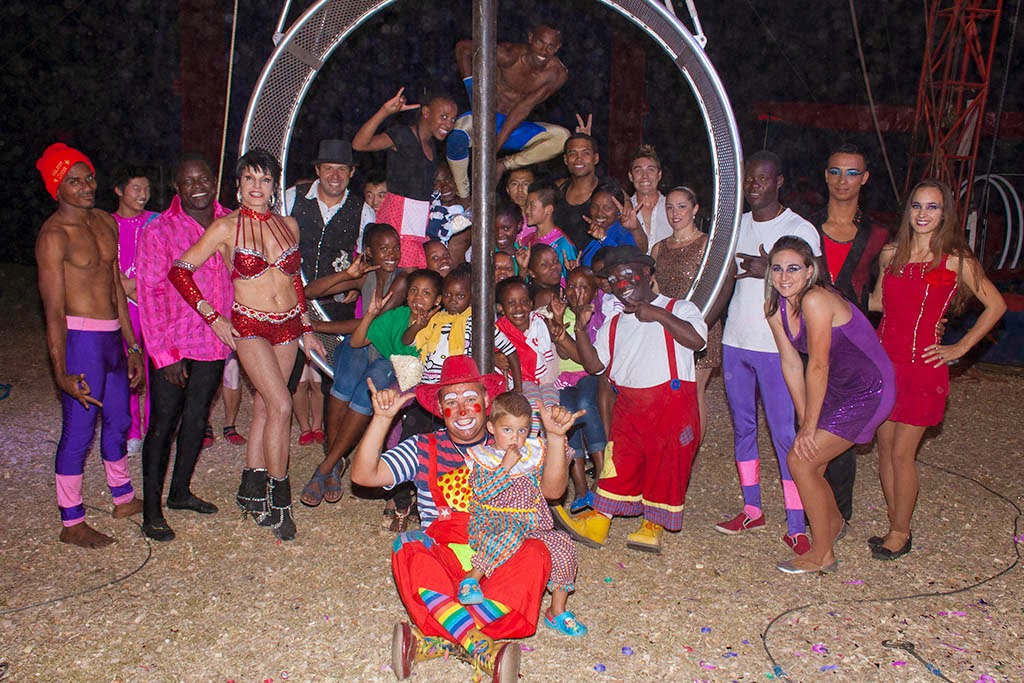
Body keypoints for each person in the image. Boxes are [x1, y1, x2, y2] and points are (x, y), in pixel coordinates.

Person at [351, 355, 580, 681]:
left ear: (487, 402)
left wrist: (555, 439)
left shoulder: (511, 441)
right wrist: (381, 419)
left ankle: (437, 640)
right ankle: (480, 646)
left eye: (470, 399)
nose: (461, 410)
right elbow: (364, 475)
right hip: (445, 562)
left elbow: (553, 492)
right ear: (439, 407)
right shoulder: (422, 448)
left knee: (538, 551)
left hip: (500, 558)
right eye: (451, 402)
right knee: (408, 545)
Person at [169, 148, 325, 541]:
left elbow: (295, 280)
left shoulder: (289, 225)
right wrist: (213, 317)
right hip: (250, 325)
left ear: (274, 186)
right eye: (250, 178)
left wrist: (307, 328)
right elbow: (181, 271)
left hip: (288, 326)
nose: (258, 186)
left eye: (265, 179)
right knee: (283, 404)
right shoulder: (225, 228)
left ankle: (251, 489)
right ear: (238, 185)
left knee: (265, 409)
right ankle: (279, 500)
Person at [868, 179, 1006, 560]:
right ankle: (894, 523)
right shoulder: (890, 254)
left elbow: (996, 306)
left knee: (902, 454)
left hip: (923, 366)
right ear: (907, 211)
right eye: (917, 206)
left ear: (944, 213)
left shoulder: (956, 259)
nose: (923, 214)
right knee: (884, 449)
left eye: (932, 207)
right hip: (884, 362)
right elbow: (877, 302)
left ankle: (901, 532)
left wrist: (959, 347)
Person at [553, 245, 707, 553]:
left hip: (671, 404)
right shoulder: (613, 323)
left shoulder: (679, 308)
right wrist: (580, 330)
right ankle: (599, 520)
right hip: (629, 407)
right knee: (619, 461)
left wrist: (659, 315)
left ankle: (653, 524)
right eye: (613, 279)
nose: (621, 284)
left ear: (647, 273)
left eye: (627, 275)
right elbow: (595, 366)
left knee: (665, 464)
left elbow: (698, 341)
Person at [35, 142, 144, 548]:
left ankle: (123, 497)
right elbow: (52, 310)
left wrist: (132, 346)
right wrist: (60, 371)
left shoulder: (104, 222)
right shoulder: (53, 236)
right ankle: (72, 519)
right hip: (81, 339)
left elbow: (115, 287)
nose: (85, 187)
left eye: (89, 178)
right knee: (79, 430)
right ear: (57, 188)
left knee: (119, 419)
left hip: (113, 337)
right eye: (74, 181)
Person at [765, 236, 895, 573]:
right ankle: (833, 524)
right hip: (837, 385)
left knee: (801, 461)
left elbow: (818, 364)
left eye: (794, 268)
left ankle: (822, 554)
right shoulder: (776, 309)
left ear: (810, 271)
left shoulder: (816, 300)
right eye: (777, 268)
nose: (784, 276)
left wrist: (809, 428)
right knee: (810, 461)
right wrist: (804, 418)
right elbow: (791, 365)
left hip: (868, 388)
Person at [715, 151, 823, 556]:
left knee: (784, 434)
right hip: (736, 341)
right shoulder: (735, 225)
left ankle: (797, 523)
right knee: (743, 428)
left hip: (778, 347)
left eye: (763, 178)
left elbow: (818, 283)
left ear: (779, 182)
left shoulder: (799, 228)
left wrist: (770, 272)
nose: (754, 185)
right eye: (749, 178)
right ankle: (752, 508)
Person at [136, 154, 234, 542]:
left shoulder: (231, 221)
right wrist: (163, 355)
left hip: (214, 341)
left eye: (203, 178)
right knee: (163, 425)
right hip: (174, 344)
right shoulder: (160, 230)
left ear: (215, 179)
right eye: (188, 181)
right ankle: (151, 511)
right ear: (176, 187)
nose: (198, 187)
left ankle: (179, 492)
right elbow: (149, 293)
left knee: (196, 420)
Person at [460, 391, 586, 637]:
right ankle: (471, 578)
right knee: (510, 532)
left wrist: (557, 440)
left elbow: (552, 481)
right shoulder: (484, 457)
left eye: (522, 430)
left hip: (532, 524)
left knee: (563, 545)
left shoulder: (532, 453)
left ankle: (557, 610)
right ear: (491, 428)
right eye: (507, 430)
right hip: (495, 521)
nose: (515, 438)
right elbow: (482, 492)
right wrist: (504, 467)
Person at [300, 223, 406, 506]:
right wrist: (348, 275)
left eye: (396, 248)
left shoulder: (402, 281)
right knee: (345, 382)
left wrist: (317, 326)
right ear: (369, 252)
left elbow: (373, 327)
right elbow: (309, 291)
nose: (392, 254)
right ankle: (336, 465)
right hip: (357, 344)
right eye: (384, 248)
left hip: (385, 352)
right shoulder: (366, 277)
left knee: (362, 394)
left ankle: (326, 466)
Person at [811, 143, 890, 524]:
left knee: (841, 429)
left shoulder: (879, 235)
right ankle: (808, 509)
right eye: (836, 171)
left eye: (852, 172)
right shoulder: (805, 228)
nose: (843, 180)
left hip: (853, 347)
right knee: (805, 423)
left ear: (865, 178)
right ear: (826, 175)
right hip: (808, 339)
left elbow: (886, 295)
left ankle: (838, 514)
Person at [448, 24, 570, 200]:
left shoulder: (557, 74)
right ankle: (464, 196)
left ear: (557, 47)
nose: (543, 51)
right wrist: (474, 95)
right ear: (530, 38)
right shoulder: (509, 55)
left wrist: (494, 149)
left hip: (512, 126)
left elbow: (524, 107)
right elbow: (463, 48)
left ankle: (504, 164)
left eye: (550, 46)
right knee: (456, 137)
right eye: (540, 42)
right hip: (482, 119)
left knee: (562, 137)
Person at [353, 89, 458, 267]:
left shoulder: (431, 145)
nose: (448, 124)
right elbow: (360, 144)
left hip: (416, 222)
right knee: (404, 275)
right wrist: (384, 112)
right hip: (398, 219)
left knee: (414, 276)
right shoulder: (404, 135)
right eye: (444, 116)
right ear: (426, 112)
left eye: (453, 119)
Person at [651, 186, 724, 441]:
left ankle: (692, 450)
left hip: (701, 326)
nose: (675, 213)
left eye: (682, 206)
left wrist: (701, 325)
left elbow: (719, 288)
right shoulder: (659, 249)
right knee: (673, 393)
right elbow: (656, 292)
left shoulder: (708, 245)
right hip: (668, 329)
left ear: (695, 209)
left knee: (694, 393)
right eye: (670, 207)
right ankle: (676, 445)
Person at [547, 266, 608, 512]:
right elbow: (563, 353)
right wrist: (558, 322)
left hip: (589, 376)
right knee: (566, 413)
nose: (577, 293)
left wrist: (565, 337)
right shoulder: (563, 314)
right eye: (572, 286)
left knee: (585, 404)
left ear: (594, 291)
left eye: (584, 287)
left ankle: (602, 475)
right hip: (565, 378)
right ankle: (580, 487)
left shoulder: (598, 316)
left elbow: (588, 360)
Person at [284, 139, 363, 323]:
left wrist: (356, 286)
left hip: (335, 308)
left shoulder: (363, 210)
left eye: (342, 169)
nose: (335, 176)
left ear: (352, 172)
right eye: (328, 168)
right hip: (288, 299)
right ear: (317, 170)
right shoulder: (293, 196)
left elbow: (365, 257)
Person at [112, 167, 158, 455]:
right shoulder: (106, 224)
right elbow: (105, 270)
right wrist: (127, 289)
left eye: (147, 189)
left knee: (156, 373)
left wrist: (135, 286)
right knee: (129, 369)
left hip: (153, 308)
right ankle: (132, 431)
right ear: (119, 190)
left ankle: (154, 431)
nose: (143, 195)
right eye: (136, 188)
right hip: (122, 308)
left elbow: (165, 264)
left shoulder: (156, 221)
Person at [553, 134, 602, 250]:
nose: (579, 158)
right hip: (560, 260)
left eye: (585, 153)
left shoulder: (609, 192)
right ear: (565, 159)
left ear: (595, 158)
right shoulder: (557, 190)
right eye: (573, 153)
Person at [578, 180, 643, 267]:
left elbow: (625, 263)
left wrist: (604, 239)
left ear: (618, 210)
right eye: (594, 207)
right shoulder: (591, 231)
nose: (599, 213)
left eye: (607, 208)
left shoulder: (623, 233)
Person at [519, 181, 577, 275]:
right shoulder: (526, 241)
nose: (527, 211)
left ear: (548, 209)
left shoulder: (563, 244)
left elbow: (572, 278)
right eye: (527, 205)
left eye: (532, 206)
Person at [628, 144, 672, 253]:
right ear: (630, 176)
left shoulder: (672, 207)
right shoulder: (624, 210)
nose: (645, 176)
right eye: (638, 171)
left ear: (659, 175)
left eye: (650, 170)